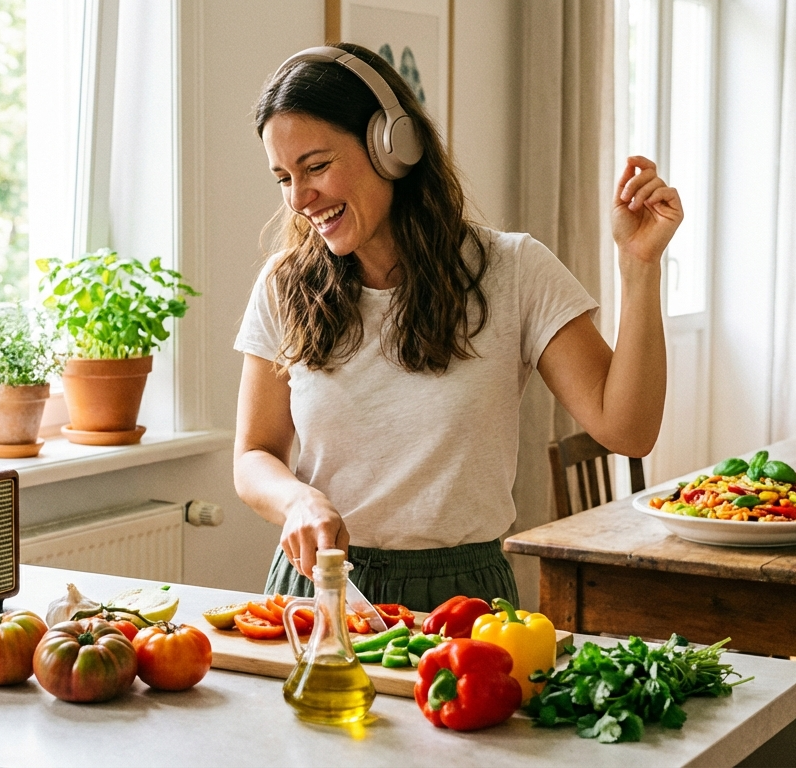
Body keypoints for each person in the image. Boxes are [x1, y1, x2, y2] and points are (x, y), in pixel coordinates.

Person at [233, 43, 682, 611]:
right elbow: (254, 454)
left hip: (461, 599)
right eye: (283, 177)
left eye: (317, 166)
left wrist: (638, 267)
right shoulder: (284, 284)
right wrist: (296, 500)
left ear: (391, 146)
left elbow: (629, 430)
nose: (299, 198)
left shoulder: (514, 270)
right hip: (318, 590)